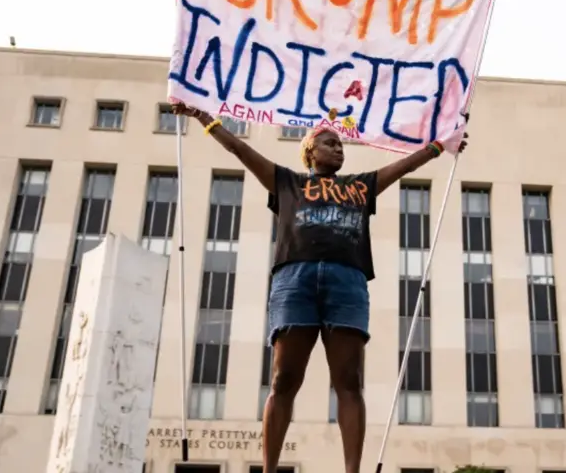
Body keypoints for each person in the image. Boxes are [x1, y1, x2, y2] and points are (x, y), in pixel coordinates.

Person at [171, 102, 467, 473]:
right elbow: (240, 149)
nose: (338, 149)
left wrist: (442, 145)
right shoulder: (286, 182)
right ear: (310, 150)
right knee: (283, 379)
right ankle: (269, 468)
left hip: (347, 282)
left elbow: (405, 165)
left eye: (341, 145)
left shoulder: (360, 186)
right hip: (295, 281)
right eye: (330, 143)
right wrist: (201, 117)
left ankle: (352, 470)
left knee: (349, 379)